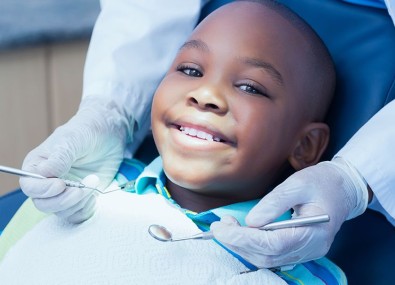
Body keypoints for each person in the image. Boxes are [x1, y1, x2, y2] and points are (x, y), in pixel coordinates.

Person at [18, 0, 395, 270]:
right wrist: (110, 111)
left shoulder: (290, 267)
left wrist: (353, 178)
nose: (206, 95)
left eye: (249, 87)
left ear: (306, 145)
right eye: (191, 70)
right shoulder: (72, 196)